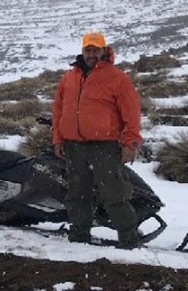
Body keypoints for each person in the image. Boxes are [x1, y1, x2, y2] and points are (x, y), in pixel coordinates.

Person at [52, 31, 143, 249]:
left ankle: (130, 241)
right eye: (88, 49)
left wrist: (131, 143)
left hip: (105, 147)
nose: (91, 53)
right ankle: (79, 238)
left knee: (114, 195)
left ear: (104, 50)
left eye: (95, 49)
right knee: (77, 195)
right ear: (82, 50)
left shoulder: (117, 78)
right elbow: (58, 110)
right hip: (74, 147)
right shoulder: (69, 78)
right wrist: (58, 139)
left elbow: (132, 114)